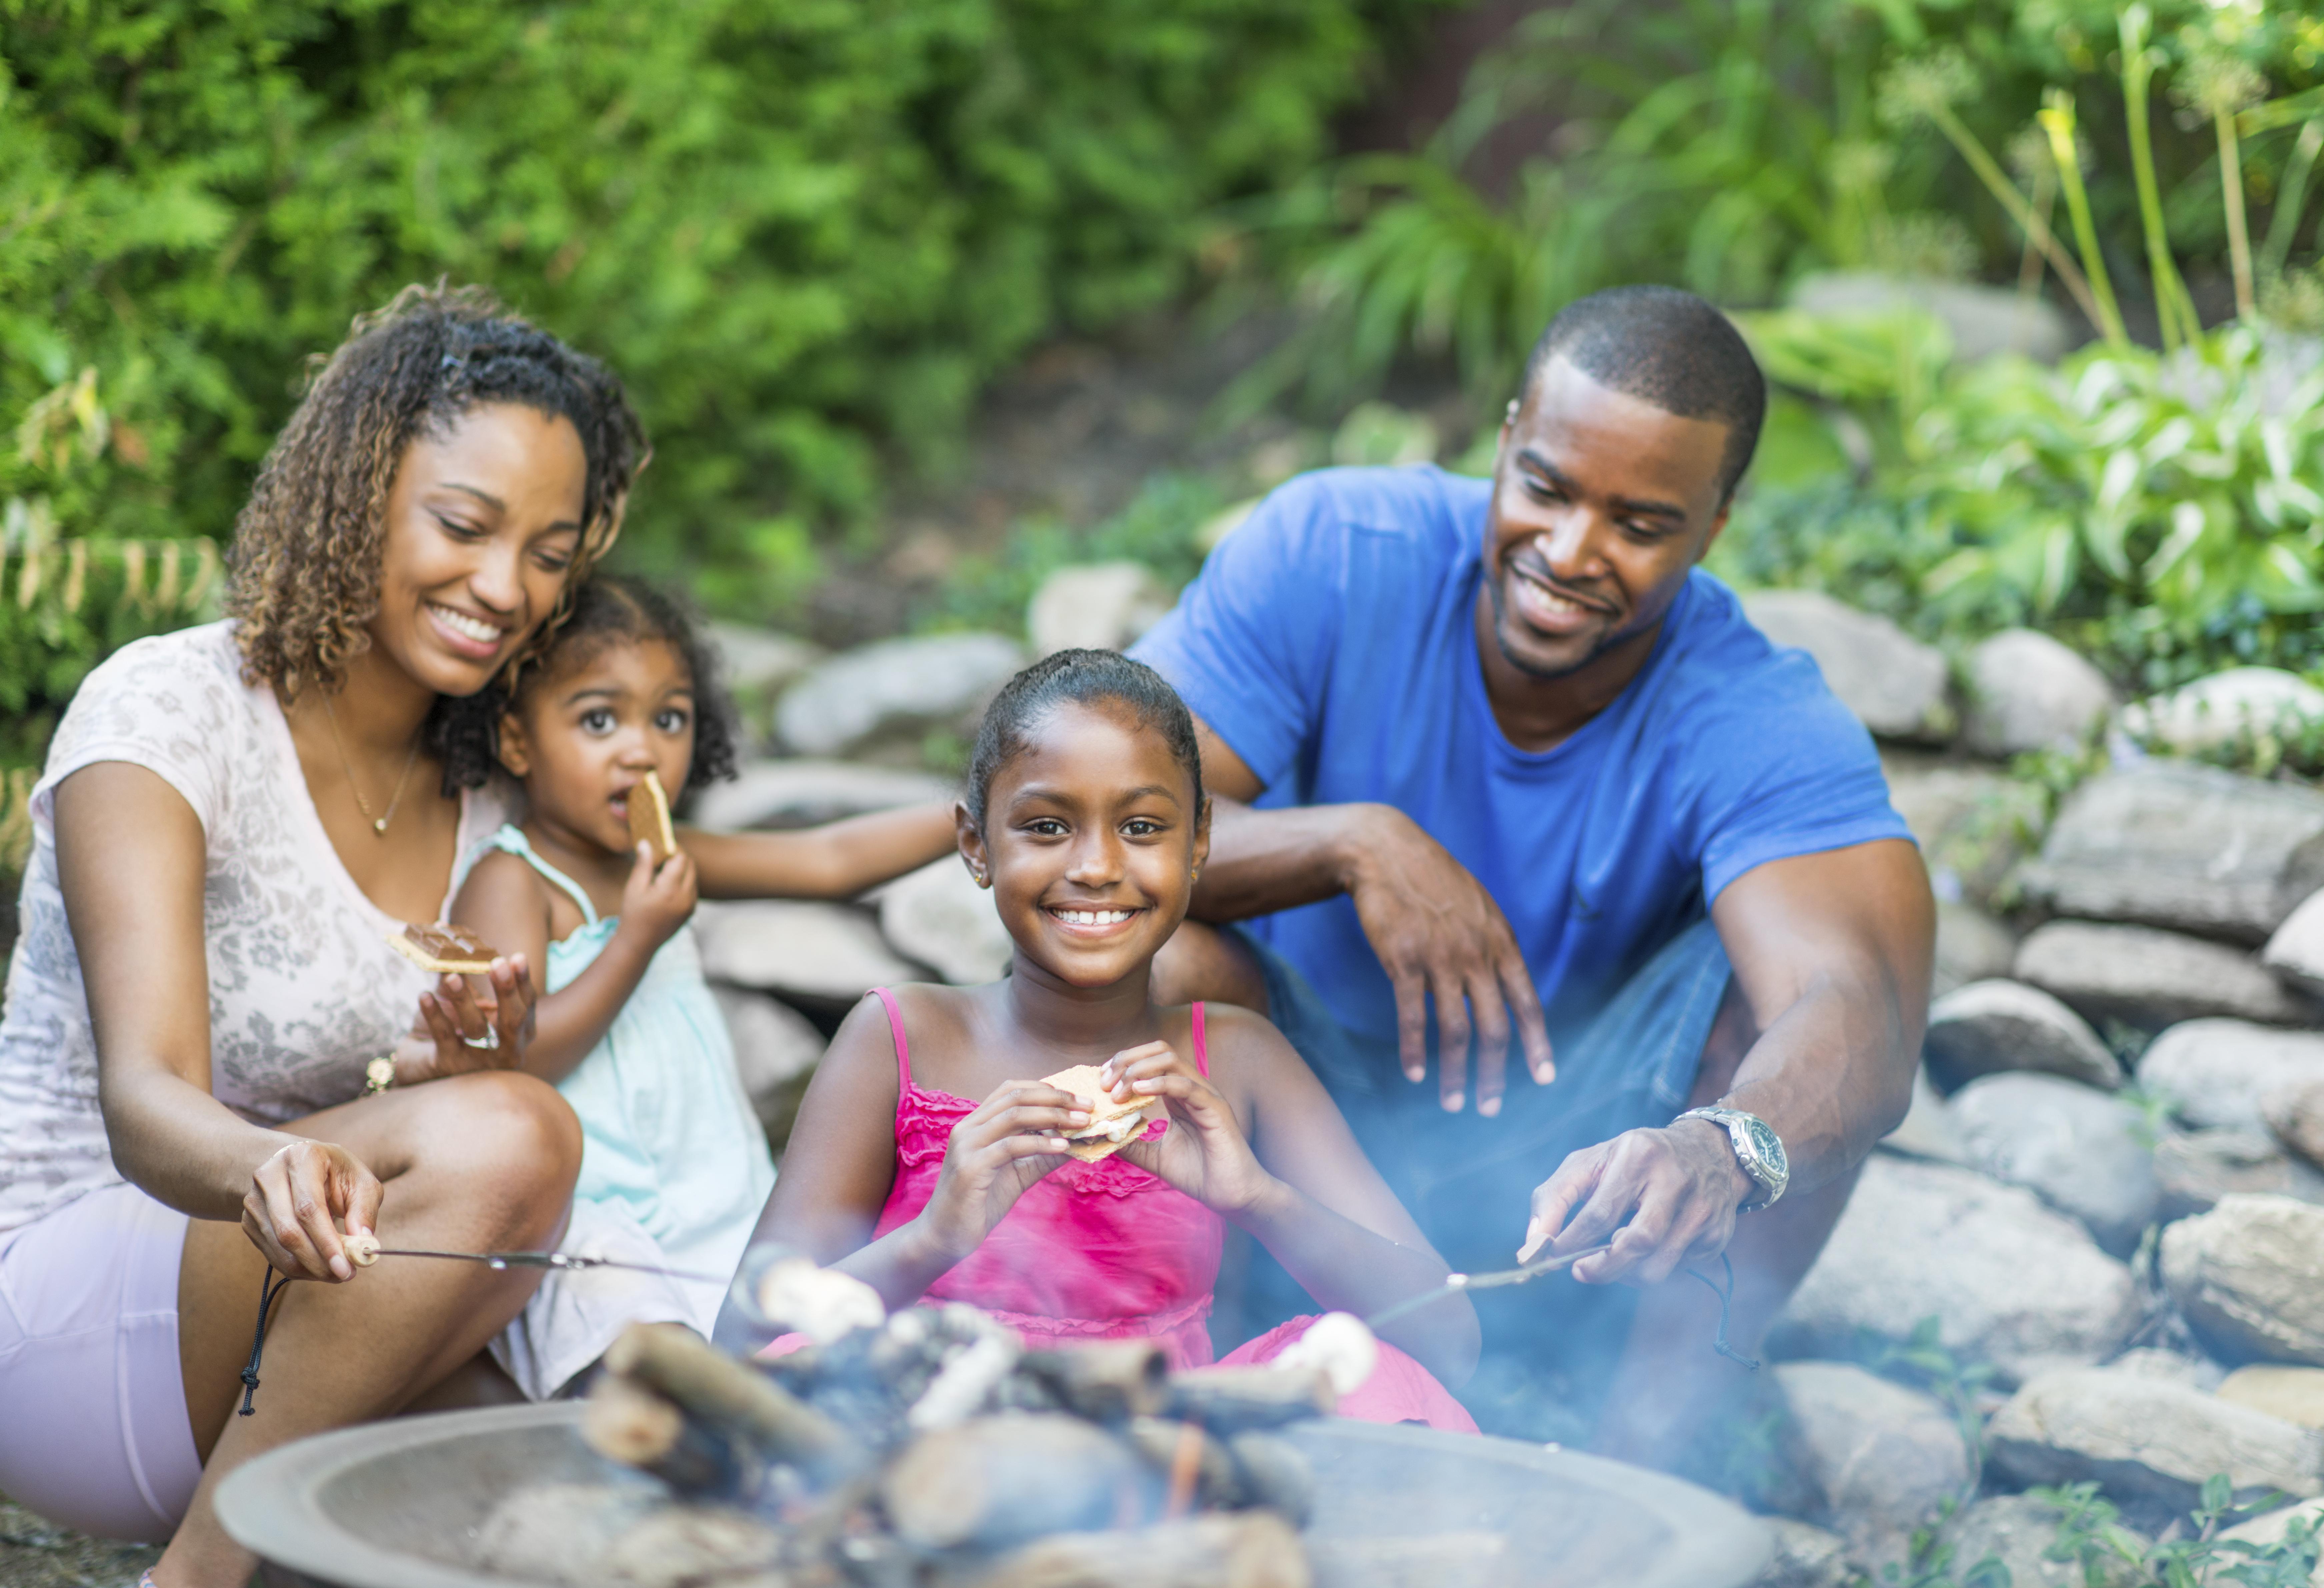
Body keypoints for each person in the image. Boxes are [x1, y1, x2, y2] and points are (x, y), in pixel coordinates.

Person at [1133, 285, 1934, 1462]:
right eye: (1547, 489)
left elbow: (1856, 1011)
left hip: (1578, 1172)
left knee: (1781, 1041)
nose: (1569, 553)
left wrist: (1723, 1146)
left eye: (1640, 524)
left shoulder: (1752, 711)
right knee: (1158, 955)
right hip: (1297, 1111)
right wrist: (1357, 841)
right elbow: (1095, 835)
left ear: (1714, 526)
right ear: (1505, 440)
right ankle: (1161, 1370)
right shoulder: (1336, 551)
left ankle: (1648, 1479)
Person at [0, 284, 649, 1588]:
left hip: (314, 1314)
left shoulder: (479, 794)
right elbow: (149, 1100)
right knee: (519, 1136)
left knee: (558, 1540)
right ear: (356, 490)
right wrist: (277, 1159)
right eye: (464, 527)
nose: (503, 588)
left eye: (547, 551)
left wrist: (459, 1059)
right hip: (69, 1304)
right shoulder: (167, 712)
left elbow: (423, 1126)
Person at [726, 650, 1479, 1428]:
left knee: (1369, 1374)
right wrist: (933, 1238)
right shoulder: (902, 1036)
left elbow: (1446, 1338)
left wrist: (1253, 1196)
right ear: (977, 844)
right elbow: (747, 1338)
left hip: (1160, 1455)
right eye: (1047, 826)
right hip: (926, 1440)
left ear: (1197, 843)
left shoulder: (1239, 1058)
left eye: (1142, 826)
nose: (1095, 865)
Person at [444, 574, 956, 1368]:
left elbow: (828, 860)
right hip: (590, 1229)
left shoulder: (670, 854)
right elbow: (519, 1060)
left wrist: (970, 812)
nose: (642, 747)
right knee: (661, 1379)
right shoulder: (513, 879)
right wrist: (636, 939)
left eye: (670, 717)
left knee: (797, 1361)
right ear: (517, 740)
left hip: (714, 1205)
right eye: (598, 719)